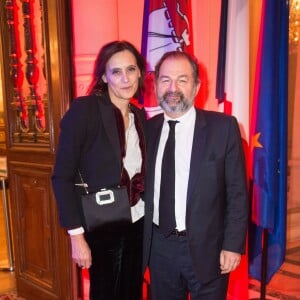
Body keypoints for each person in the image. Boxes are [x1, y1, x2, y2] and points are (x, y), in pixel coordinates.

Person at [143, 51, 249, 300]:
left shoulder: (223, 128)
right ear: (156, 84)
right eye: (165, 79)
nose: (172, 87)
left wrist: (232, 246)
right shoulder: (146, 130)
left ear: (196, 86)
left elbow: (237, 194)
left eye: (182, 79)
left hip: (209, 250)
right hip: (159, 249)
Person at [52, 40, 146, 300]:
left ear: (140, 71)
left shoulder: (140, 117)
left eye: (131, 69)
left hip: (137, 222)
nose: (125, 78)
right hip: (101, 225)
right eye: (116, 72)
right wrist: (76, 236)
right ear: (104, 76)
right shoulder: (86, 110)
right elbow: (62, 176)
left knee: (132, 293)